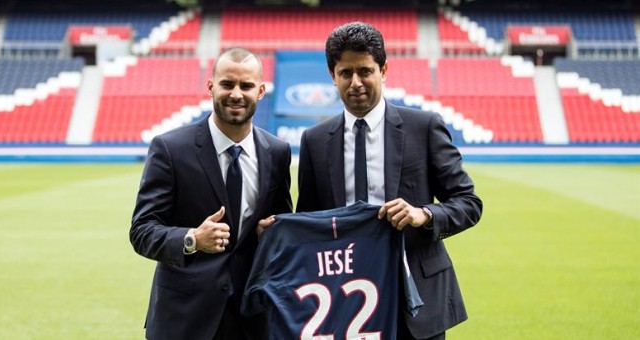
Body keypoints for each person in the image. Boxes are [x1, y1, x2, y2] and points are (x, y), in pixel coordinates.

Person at [296, 22, 483, 340]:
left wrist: (423, 215)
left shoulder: (423, 127)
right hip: (345, 298)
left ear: (383, 70)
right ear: (333, 76)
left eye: (365, 71)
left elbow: (468, 203)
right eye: (345, 73)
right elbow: (309, 221)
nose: (355, 83)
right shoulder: (314, 141)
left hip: (416, 296)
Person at [130, 47, 293, 340]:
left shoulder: (277, 153)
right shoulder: (170, 149)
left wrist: (270, 232)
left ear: (261, 91)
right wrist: (192, 239)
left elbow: (281, 225)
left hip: (252, 317)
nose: (236, 94)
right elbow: (142, 230)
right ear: (210, 86)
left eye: (246, 86)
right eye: (227, 84)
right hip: (185, 319)